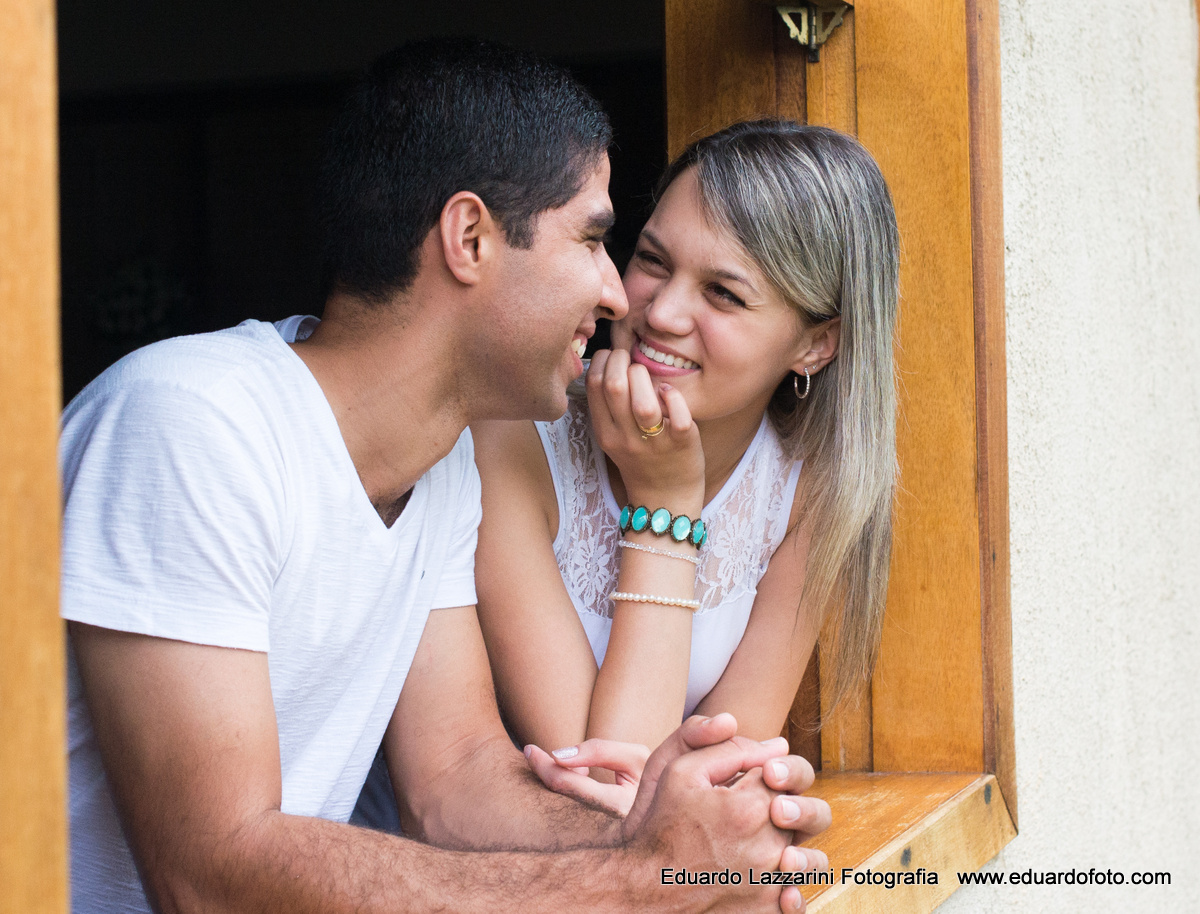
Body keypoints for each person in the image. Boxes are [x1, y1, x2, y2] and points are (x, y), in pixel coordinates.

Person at [59, 42, 830, 914]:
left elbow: (455, 781)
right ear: (470, 238)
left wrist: (680, 843)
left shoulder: (440, 461)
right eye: (595, 239)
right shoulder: (191, 424)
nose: (622, 295)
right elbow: (211, 874)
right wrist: (635, 877)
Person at [470, 120, 899, 806]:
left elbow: (698, 796)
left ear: (816, 346)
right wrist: (665, 509)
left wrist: (665, 498)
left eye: (724, 294)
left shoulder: (813, 494)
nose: (662, 312)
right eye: (653, 261)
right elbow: (610, 792)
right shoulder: (512, 437)